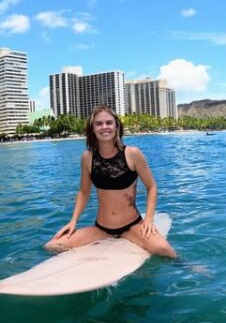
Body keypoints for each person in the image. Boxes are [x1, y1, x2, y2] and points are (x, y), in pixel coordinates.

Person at [45, 105, 177, 258]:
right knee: (52, 245)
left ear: (116, 126)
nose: (104, 127)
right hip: (101, 228)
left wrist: (148, 220)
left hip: (132, 226)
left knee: (165, 250)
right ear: (92, 129)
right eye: (98, 124)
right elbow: (84, 192)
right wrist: (73, 221)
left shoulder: (132, 154)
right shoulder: (87, 158)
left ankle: (189, 267)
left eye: (109, 122)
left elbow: (152, 187)